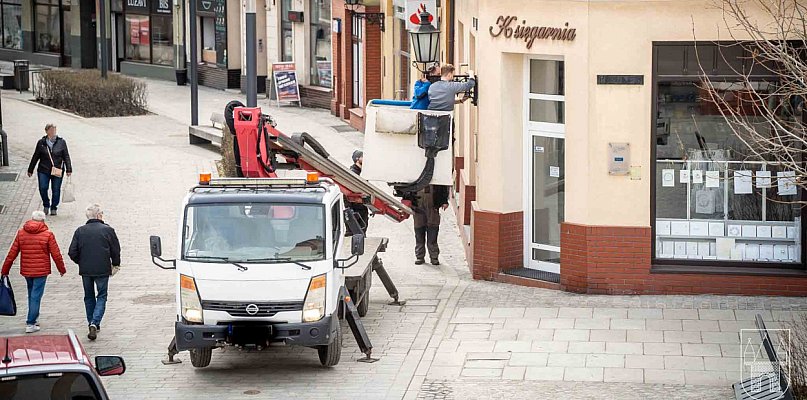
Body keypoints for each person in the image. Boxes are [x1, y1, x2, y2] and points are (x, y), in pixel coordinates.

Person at [1, 210, 66, 333]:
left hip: (27, 271)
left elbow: (12, 253)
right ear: (42, 221)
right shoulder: (47, 234)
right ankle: (30, 322)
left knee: (32, 293)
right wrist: (61, 269)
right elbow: (56, 254)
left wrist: (5, 270)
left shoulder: (21, 233)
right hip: (41, 271)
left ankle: (34, 318)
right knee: (36, 296)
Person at [68, 204, 121, 341]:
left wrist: (81, 261)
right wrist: (115, 264)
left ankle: (91, 321)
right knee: (102, 295)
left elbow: (72, 252)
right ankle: (94, 322)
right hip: (102, 268)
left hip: (86, 269)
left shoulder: (80, 231)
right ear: (98, 215)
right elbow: (115, 250)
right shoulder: (108, 230)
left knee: (88, 296)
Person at [28, 124, 72, 216]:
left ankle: (54, 207)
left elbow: (66, 156)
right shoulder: (41, 143)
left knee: (56, 189)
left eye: (54, 130)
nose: (53, 132)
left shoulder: (61, 142)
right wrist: (30, 169)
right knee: (43, 188)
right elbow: (36, 156)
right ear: (46, 131)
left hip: (57, 169)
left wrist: (69, 168)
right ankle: (46, 204)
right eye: (51, 130)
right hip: (43, 169)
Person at [413, 185, 449, 265]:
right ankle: (420, 256)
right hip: (418, 204)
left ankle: (434, 257)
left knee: (433, 229)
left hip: (433, 205)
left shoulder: (436, 173)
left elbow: (443, 186)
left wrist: (444, 201)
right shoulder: (415, 173)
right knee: (419, 230)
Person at [346, 150, 369, 235]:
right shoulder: (353, 174)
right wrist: (349, 210)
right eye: (363, 157)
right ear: (357, 159)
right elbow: (346, 193)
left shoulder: (362, 172)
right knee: (355, 234)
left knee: (362, 233)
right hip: (355, 210)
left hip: (362, 208)